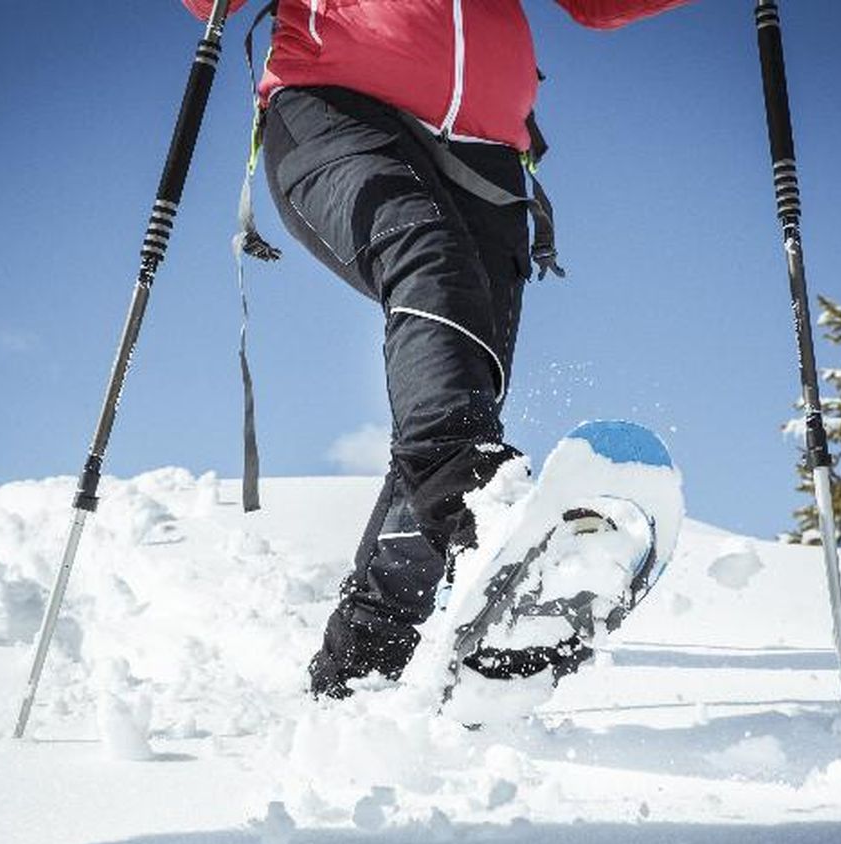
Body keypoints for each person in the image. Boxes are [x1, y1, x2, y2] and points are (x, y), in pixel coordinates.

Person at [255, 0, 693, 698]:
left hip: (488, 154)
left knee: (462, 390)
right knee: (425, 259)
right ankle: (477, 506)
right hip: (335, 111)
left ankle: (364, 670)